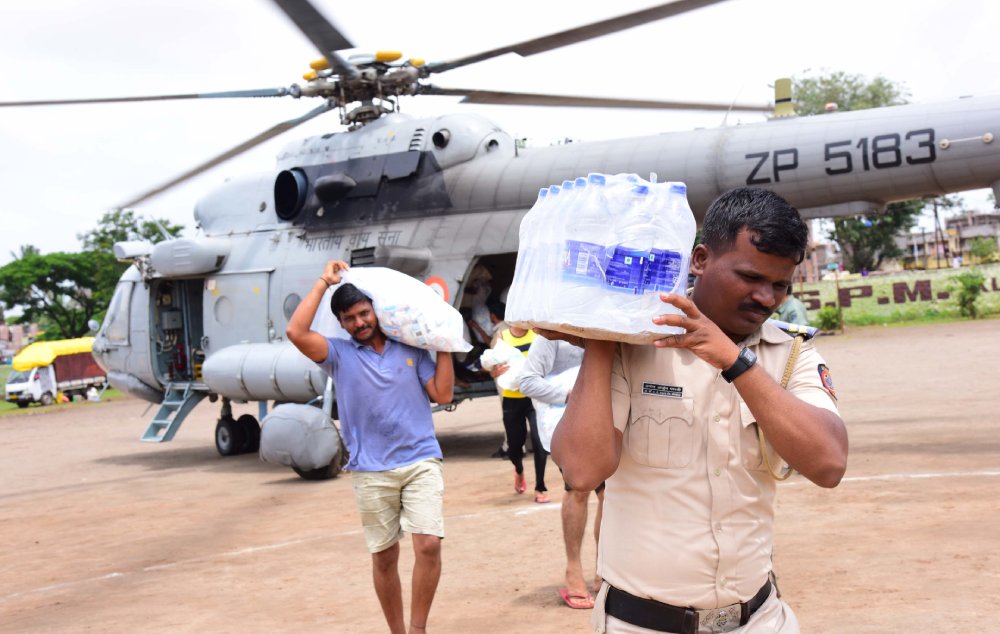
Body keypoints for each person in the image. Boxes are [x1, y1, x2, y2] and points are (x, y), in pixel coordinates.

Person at [551, 187, 848, 633]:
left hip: (760, 619)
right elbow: (581, 470)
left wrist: (733, 360)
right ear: (700, 260)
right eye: (750, 277)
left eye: (780, 285)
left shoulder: (791, 353)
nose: (766, 298)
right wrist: (601, 338)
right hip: (640, 624)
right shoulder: (634, 345)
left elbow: (828, 465)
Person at [286, 260, 454, 634]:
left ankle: (418, 629)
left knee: (429, 545)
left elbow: (442, 394)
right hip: (370, 470)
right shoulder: (338, 356)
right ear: (341, 323)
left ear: (375, 311)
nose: (359, 322)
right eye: (349, 318)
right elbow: (296, 332)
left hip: (421, 460)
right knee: (384, 558)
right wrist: (323, 282)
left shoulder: (411, 349)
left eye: (364, 313)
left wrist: (444, 344)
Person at [520, 334, 605, 610]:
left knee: (609, 495)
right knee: (578, 489)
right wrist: (570, 395)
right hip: (566, 422)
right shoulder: (553, 333)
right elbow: (527, 380)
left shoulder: (604, 327)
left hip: (603, 419)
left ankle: (604, 568)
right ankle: (574, 570)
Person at [488, 307, 550, 503]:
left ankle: (540, 487)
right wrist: (495, 372)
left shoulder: (537, 336)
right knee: (514, 447)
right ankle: (519, 469)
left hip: (535, 397)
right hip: (512, 399)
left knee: (539, 441)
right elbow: (492, 369)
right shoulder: (502, 337)